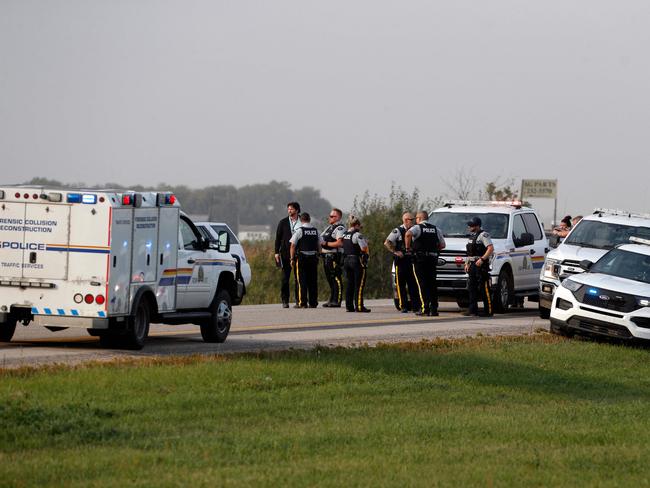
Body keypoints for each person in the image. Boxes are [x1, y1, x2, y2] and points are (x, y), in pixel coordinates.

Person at [405, 211, 446, 316]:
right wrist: (433, 249)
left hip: (420, 259)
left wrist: (408, 248)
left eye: (416, 219)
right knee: (432, 284)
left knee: (421, 284)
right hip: (432, 259)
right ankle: (434, 309)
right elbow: (442, 245)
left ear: (419, 218)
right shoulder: (436, 229)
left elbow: (408, 234)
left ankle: (424, 308)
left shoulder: (418, 228)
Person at [384, 212, 420, 313]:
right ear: (405, 220)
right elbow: (387, 242)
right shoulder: (398, 231)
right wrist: (395, 251)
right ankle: (403, 306)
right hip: (401, 261)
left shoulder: (414, 230)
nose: (413, 222)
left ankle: (415, 306)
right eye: (411, 220)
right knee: (401, 285)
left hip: (411, 261)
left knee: (413, 284)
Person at [464, 216, 494, 317]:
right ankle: (472, 310)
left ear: (477, 226)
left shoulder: (484, 235)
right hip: (472, 264)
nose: (469, 227)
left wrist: (482, 259)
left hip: (481, 265)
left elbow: (490, 248)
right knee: (471, 288)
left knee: (484, 288)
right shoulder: (471, 236)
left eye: (471, 225)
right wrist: (467, 263)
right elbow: (469, 252)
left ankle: (488, 310)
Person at [290, 212, 320, 308]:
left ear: (301, 220)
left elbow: (293, 245)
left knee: (301, 281)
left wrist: (291, 258)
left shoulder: (299, 231)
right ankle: (313, 302)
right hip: (313, 259)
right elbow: (320, 245)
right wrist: (318, 254)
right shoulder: (316, 231)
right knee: (313, 281)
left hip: (302, 258)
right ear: (309, 219)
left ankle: (302, 303)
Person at [274, 202, 301, 308]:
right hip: (285, 254)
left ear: (297, 210)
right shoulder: (283, 222)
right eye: (288, 209)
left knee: (298, 278)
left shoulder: (301, 221)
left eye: (292, 209)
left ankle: (298, 299)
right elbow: (278, 238)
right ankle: (285, 300)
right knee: (285, 278)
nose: (289, 210)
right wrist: (276, 252)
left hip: (299, 253)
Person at [342, 216, 371, 313]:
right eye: (359, 226)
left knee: (350, 284)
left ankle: (349, 306)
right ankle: (359, 306)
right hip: (356, 260)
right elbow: (363, 248)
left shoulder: (345, 234)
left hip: (346, 260)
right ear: (357, 225)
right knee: (359, 284)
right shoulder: (357, 235)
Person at [320, 208, 346, 307]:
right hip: (326, 256)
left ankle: (337, 300)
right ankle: (331, 299)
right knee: (330, 278)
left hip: (334, 256)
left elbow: (340, 243)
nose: (329, 218)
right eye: (330, 216)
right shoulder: (329, 228)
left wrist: (326, 243)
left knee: (336, 278)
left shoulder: (340, 228)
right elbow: (321, 239)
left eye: (332, 216)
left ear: (338, 217)